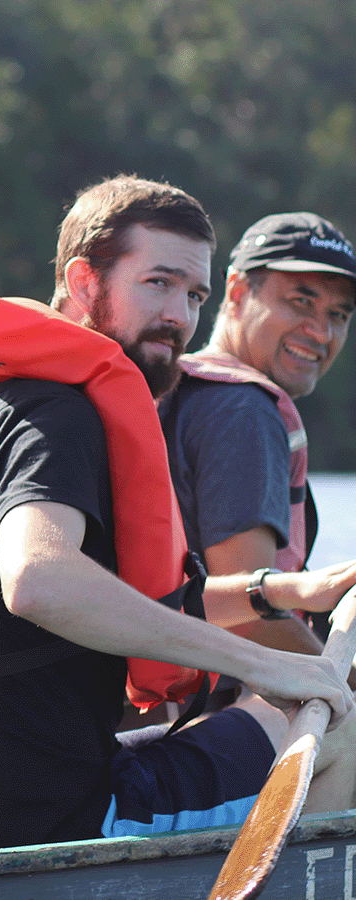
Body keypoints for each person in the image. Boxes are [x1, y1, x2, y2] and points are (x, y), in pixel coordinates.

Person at [0, 175, 356, 856]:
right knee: (345, 737)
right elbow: (39, 579)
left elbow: (133, 596)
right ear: (83, 282)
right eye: (158, 284)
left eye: (192, 294)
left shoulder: (37, 396)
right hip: (45, 825)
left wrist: (274, 591)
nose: (178, 315)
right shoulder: (58, 416)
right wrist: (269, 666)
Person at [163, 213, 356, 662]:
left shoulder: (185, 388)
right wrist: (343, 689)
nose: (321, 333)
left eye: (338, 315)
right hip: (215, 700)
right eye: (301, 302)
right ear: (236, 292)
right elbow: (250, 617)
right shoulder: (243, 411)